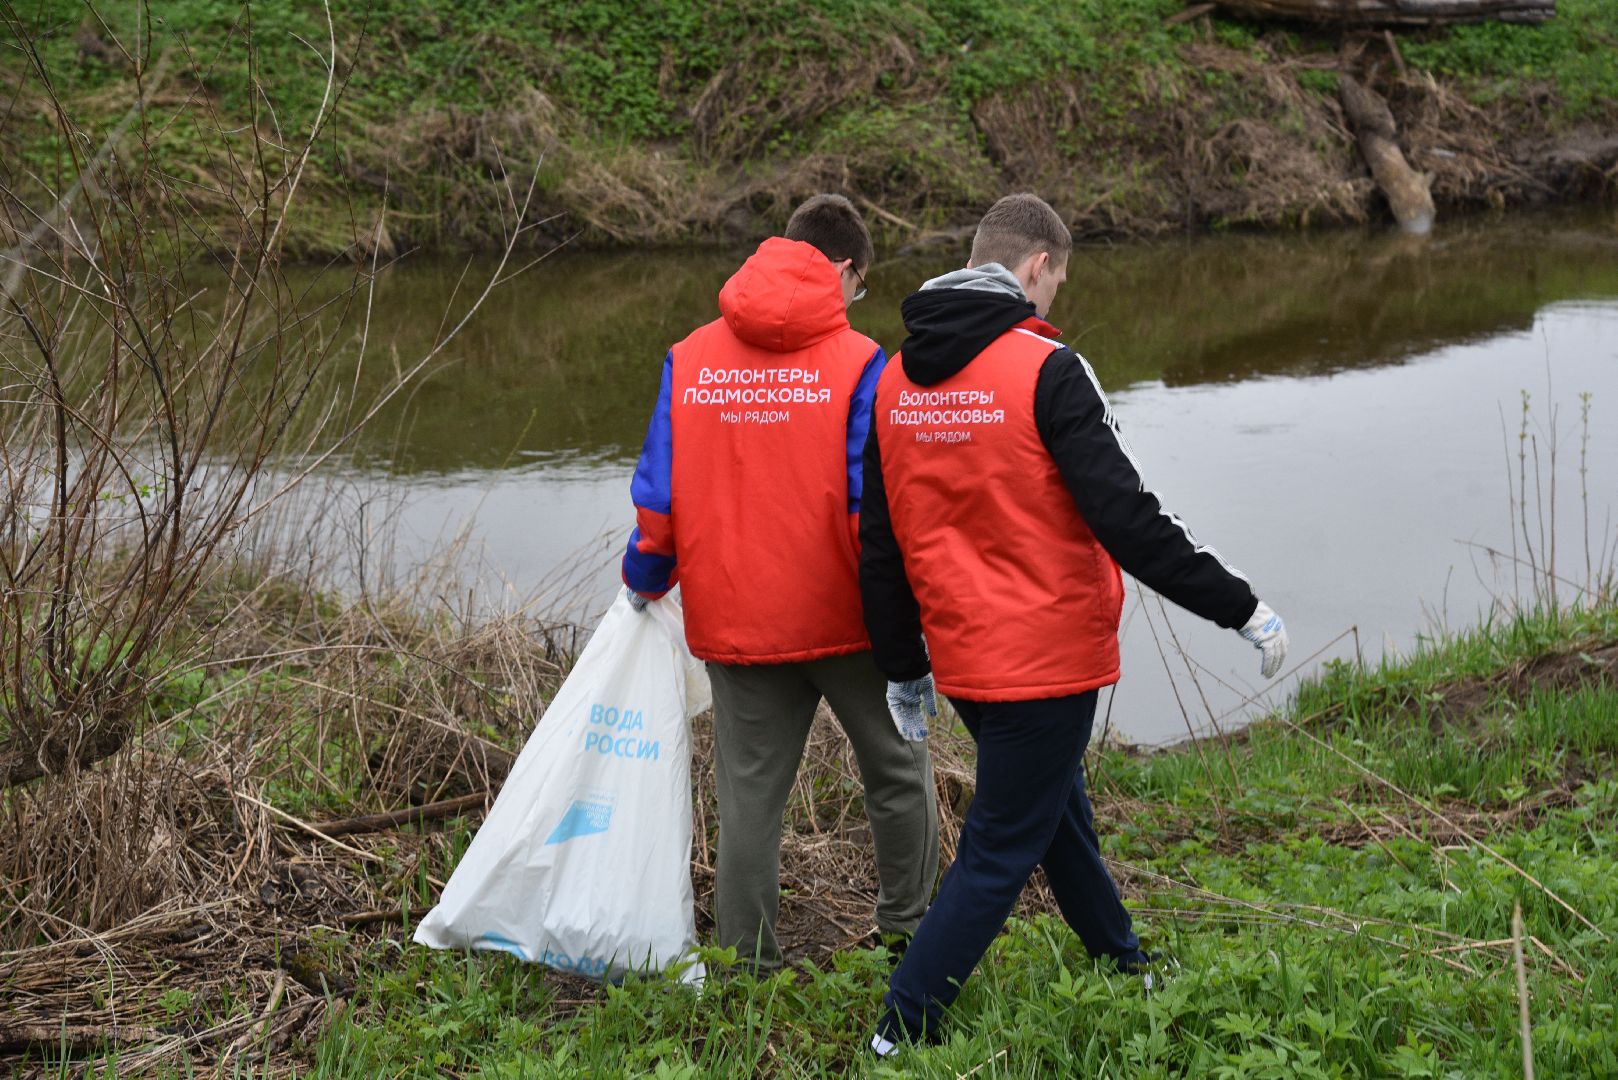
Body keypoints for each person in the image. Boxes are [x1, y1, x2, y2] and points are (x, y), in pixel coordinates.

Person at [858, 193, 1290, 1052]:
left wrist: (904, 667)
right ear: (1036, 267)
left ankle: (1122, 960)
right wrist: (1239, 605)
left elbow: (881, 542)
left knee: (1058, 815)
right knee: (999, 850)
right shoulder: (1047, 369)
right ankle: (900, 1030)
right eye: (1059, 280)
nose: (1055, 298)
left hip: (967, 662)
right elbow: (1127, 517)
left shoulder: (897, 380)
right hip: (1045, 662)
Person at [622, 194, 940, 971]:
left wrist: (645, 575)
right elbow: (877, 507)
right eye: (858, 284)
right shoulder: (863, 362)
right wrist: (910, 612)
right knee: (898, 773)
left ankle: (747, 963)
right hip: (848, 620)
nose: (854, 298)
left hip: (735, 620)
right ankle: (909, 927)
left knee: (749, 802)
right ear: (840, 270)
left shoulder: (689, 357)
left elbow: (659, 500)